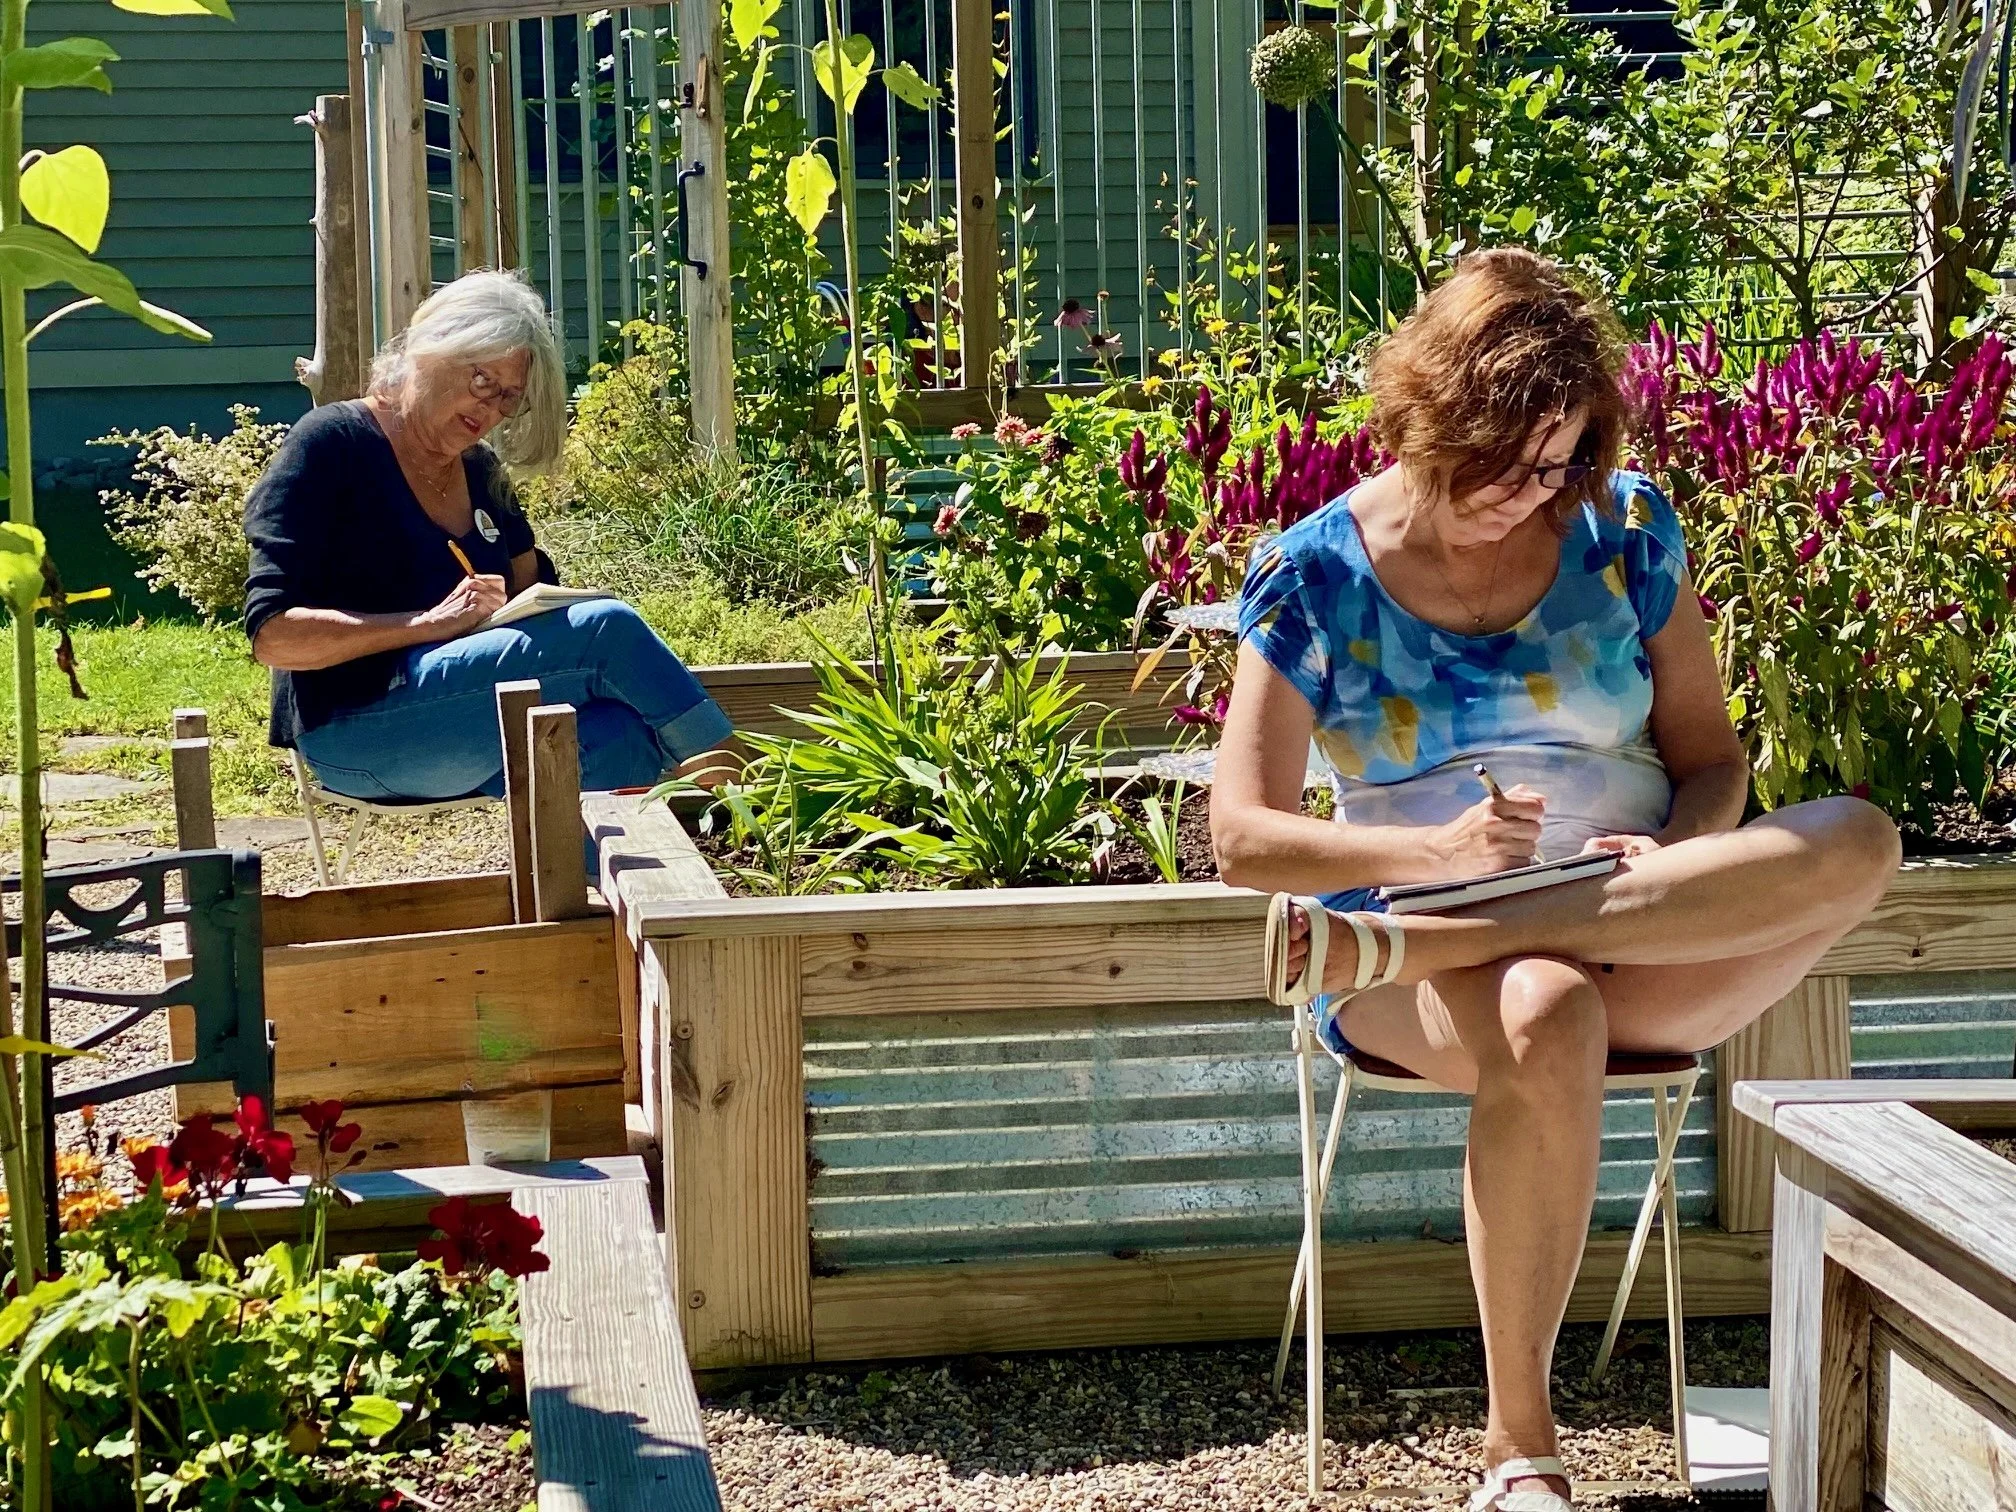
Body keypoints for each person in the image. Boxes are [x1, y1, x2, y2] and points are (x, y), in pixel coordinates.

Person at [1210, 249, 1897, 1511]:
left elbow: (1712, 763)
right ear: (1426, 413)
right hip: (1418, 962)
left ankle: (1484, 926)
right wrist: (1436, 860)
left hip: (1637, 929)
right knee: (1542, 1004)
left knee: (1859, 836)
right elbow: (1245, 835)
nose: (1529, 492)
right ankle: (1520, 1451)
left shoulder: (1622, 529)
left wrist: (1682, 853)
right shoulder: (1318, 575)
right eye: (1502, 460)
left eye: (1557, 462)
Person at [244, 269, 733, 819]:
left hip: (468, 712)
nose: (492, 411)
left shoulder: (480, 470)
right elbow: (274, 637)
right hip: (355, 728)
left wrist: (538, 605)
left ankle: (603, 898)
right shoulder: (332, 444)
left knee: (616, 734)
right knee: (608, 629)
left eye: (508, 398)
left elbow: (531, 592)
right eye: (483, 382)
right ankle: (758, 812)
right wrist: (424, 625)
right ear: (437, 348)